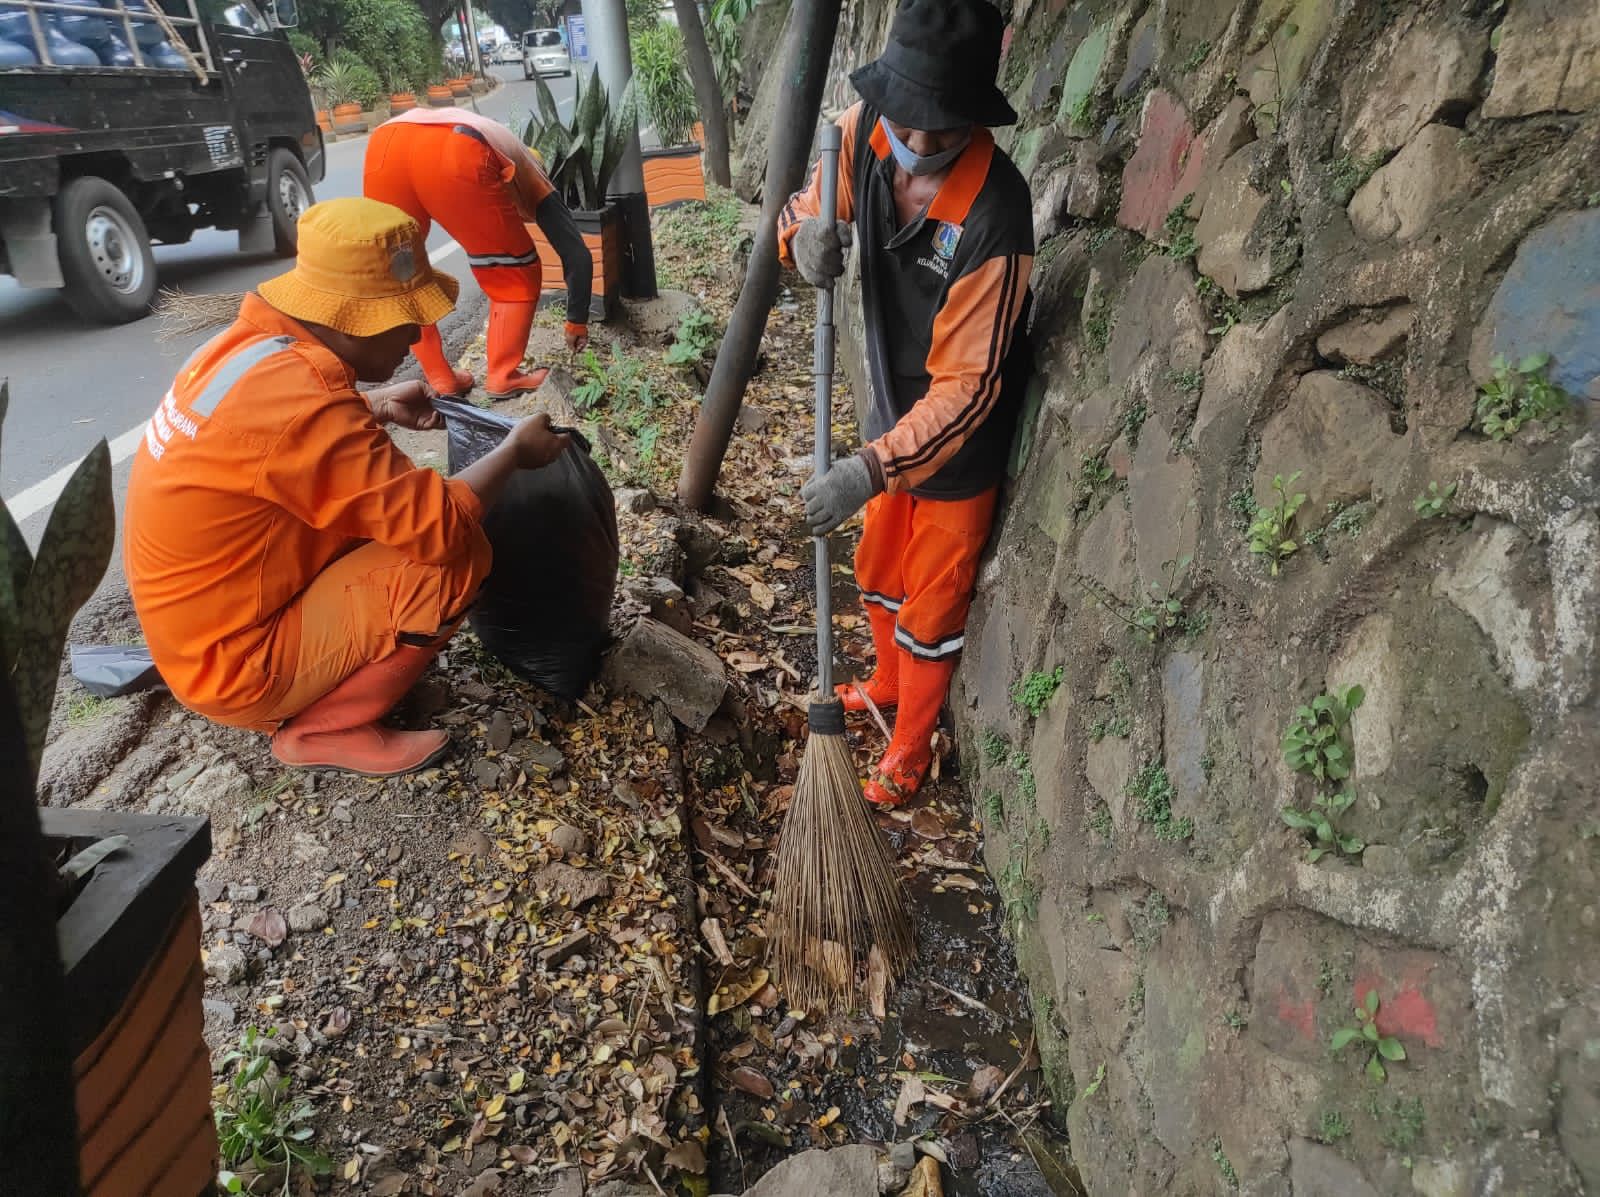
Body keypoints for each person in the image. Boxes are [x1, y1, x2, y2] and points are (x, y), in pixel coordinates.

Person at [124, 198, 571, 776]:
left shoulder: (246, 349)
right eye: (403, 317)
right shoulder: (308, 405)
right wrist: (513, 453)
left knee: (382, 526)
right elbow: (437, 527)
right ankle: (320, 730)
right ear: (345, 319)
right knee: (455, 560)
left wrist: (375, 404)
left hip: (199, 635)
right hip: (234, 666)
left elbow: (271, 442)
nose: (415, 333)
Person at [779, 0, 1034, 807]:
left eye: (940, 130)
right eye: (907, 123)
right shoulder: (861, 132)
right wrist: (805, 238)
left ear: (973, 119)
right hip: (891, 417)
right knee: (878, 569)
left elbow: (968, 389)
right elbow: (807, 206)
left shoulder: (998, 211)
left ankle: (912, 748)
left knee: (930, 601)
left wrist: (869, 467)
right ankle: (886, 683)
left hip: (959, 452)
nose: (917, 146)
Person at [363, 106, 593, 401]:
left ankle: (441, 378)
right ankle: (503, 376)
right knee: (515, 273)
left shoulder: (503, 142)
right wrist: (576, 322)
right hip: (459, 148)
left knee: (403, 273)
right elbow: (577, 255)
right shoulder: (534, 175)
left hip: (386, 142)